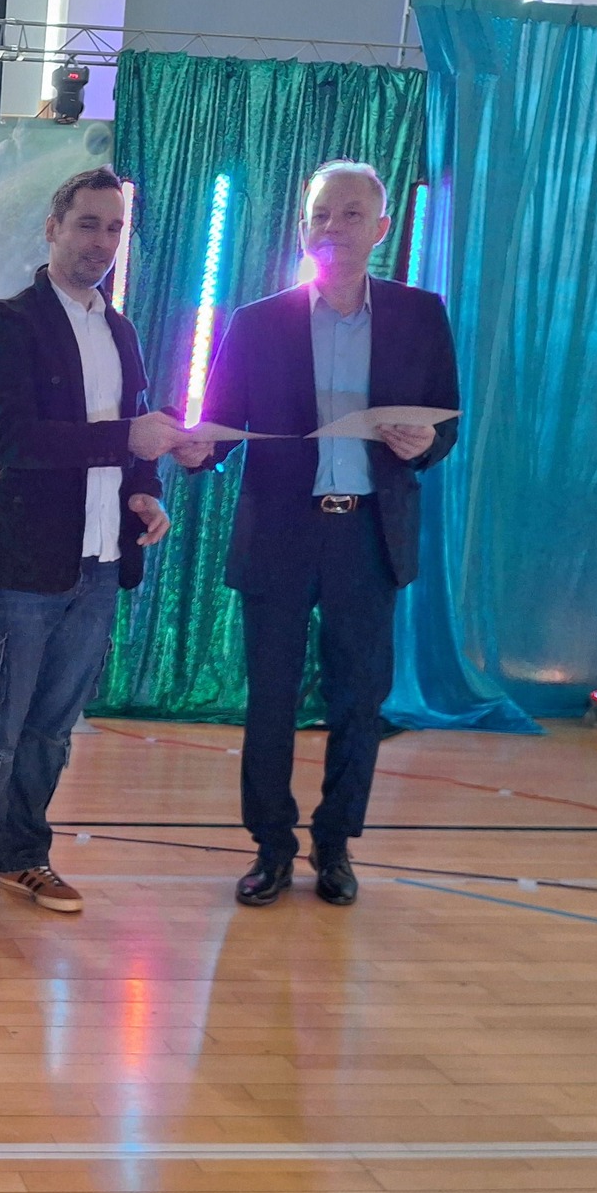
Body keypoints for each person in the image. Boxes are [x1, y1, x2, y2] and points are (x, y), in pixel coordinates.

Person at [0, 166, 188, 939]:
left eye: (114, 228)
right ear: (52, 228)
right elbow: (17, 440)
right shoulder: (9, 321)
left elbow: (132, 443)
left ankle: (24, 857)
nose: (101, 242)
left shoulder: (122, 331)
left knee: (50, 734)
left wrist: (145, 490)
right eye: (87, 224)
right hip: (24, 569)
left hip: (101, 564)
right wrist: (126, 439)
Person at [191, 160, 459, 907]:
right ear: (302, 227)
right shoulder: (258, 321)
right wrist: (194, 448)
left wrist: (425, 445)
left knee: (358, 702)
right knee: (270, 703)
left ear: (382, 229)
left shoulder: (421, 315)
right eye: (319, 215)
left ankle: (336, 845)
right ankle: (270, 847)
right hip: (281, 532)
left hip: (369, 535)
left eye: (350, 214)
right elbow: (221, 425)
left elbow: (445, 421)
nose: (332, 227)